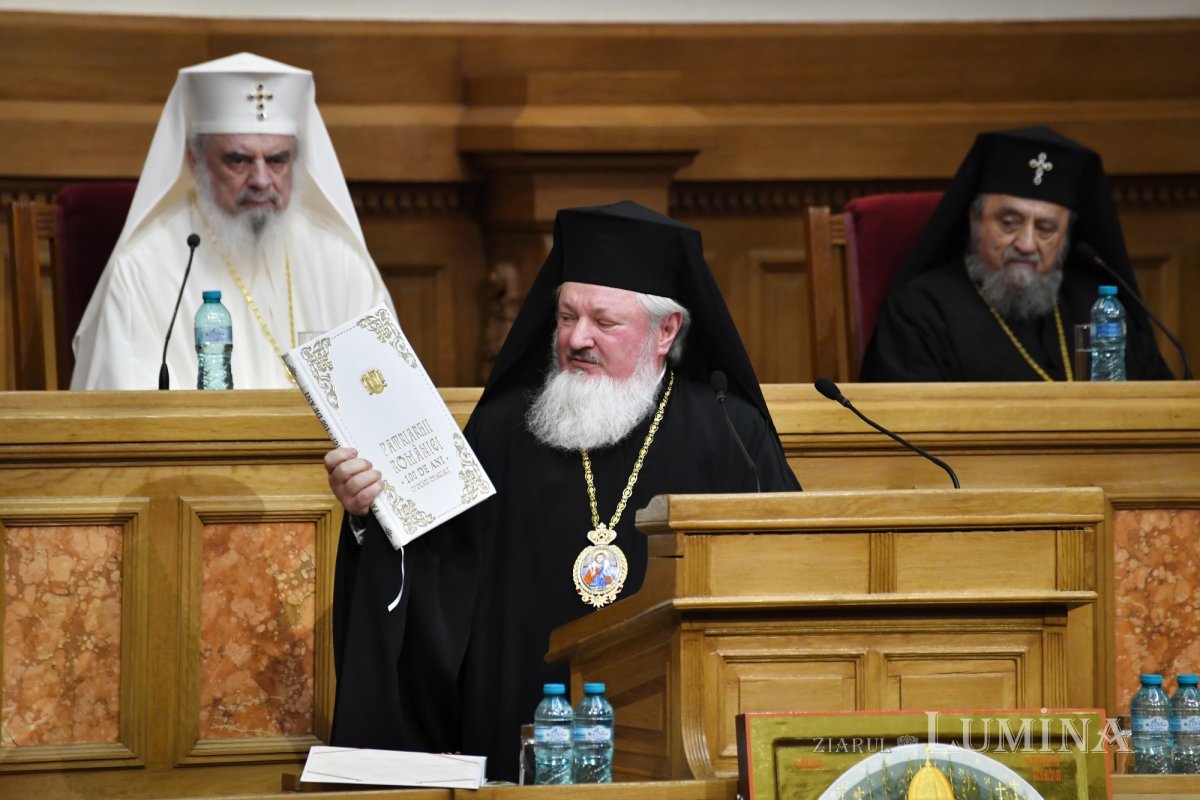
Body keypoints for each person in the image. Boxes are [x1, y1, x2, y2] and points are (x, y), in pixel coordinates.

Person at [325, 200, 800, 781]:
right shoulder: (503, 430)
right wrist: (370, 515)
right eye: (566, 316)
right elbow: (434, 576)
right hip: (514, 737)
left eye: (604, 323)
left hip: (677, 742)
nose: (577, 339)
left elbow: (779, 588)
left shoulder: (731, 433)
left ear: (665, 330)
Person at [71, 52, 394, 390]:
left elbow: (384, 393)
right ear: (195, 160)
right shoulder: (142, 269)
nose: (261, 180)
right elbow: (126, 419)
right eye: (238, 160)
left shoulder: (340, 260)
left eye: (277, 160)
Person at [859, 126, 1173, 382]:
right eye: (1009, 223)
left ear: (1067, 235)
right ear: (975, 219)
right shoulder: (921, 313)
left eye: (1046, 228)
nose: (1026, 243)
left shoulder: (1096, 305)